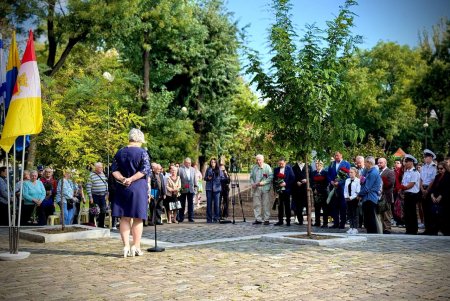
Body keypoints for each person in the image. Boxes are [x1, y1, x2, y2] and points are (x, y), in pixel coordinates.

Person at [112, 128, 151, 258]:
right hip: (138, 187)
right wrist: (131, 179)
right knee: (138, 218)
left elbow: (114, 171)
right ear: (139, 140)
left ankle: (126, 246)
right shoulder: (142, 152)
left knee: (124, 217)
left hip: (122, 188)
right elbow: (144, 170)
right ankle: (136, 246)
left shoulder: (120, 152)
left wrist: (123, 179)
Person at [357, 156, 381, 234]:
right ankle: (370, 233)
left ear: (369, 163)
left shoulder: (373, 173)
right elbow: (362, 179)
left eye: (365, 163)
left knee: (370, 218)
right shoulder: (368, 171)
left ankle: (373, 234)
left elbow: (367, 187)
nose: (364, 164)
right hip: (366, 198)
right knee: (367, 218)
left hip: (370, 198)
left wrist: (359, 194)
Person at [327, 151, 351, 229]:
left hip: (342, 188)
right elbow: (328, 174)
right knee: (334, 206)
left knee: (342, 206)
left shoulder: (346, 164)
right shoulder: (331, 164)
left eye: (337, 155)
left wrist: (339, 183)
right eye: (335, 155)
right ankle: (336, 223)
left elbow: (348, 176)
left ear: (341, 155)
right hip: (333, 188)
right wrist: (331, 181)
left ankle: (342, 223)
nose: (336, 157)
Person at [398, 154, 421, 235]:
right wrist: (400, 191)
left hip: (413, 194)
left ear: (411, 162)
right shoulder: (406, 172)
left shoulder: (415, 172)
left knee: (412, 213)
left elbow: (411, 184)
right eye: (405, 162)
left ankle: (413, 230)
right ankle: (408, 229)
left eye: (406, 162)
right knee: (407, 213)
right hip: (407, 194)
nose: (405, 163)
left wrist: (403, 189)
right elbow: (403, 182)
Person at [427, 161, 450, 235]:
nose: (439, 170)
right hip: (435, 198)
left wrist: (441, 196)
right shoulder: (437, 176)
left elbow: (448, 189)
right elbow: (433, 188)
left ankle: (445, 231)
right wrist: (432, 195)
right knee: (434, 214)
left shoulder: (448, 176)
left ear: (445, 168)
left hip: (445, 199)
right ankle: (434, 230)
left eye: (441, 168)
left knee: (444, 215)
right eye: (438, 168)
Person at [250, 154, 273, 225]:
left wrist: (264, 182)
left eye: (259, 160)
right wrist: (253, 183)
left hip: (265, 188)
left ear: (263, 160)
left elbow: (271, 177)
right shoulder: (254, 167)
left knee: (266, 204)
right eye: (257, 160)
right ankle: (258, 219)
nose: (258, 161)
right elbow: (251, 177)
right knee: (256, 204)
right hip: (256, 188)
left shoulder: (267, 167)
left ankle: (266, 219)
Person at [272, 157, 295, 226]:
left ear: (285, 162)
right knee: (280, 206)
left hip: (287, 190)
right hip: (279, 191)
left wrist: (286, 184)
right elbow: (274, 180)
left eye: (282, 163)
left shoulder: (289, 169)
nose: (281, 165)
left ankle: (288, 221)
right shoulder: (276, 169)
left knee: (287, 206)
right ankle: (280, 221)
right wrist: (275, 189)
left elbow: (292, 178)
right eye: (279, 164)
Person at [420, 149, 437, 235]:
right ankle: (427, 229)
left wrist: (427, 190)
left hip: (430, 189)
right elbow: (421, 179)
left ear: (430, 157)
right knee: (425, 210)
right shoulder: (423, 167)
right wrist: (422, 189)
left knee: (431, 210)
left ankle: (432, 229)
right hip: (423, 188)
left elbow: (433, 180)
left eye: (426, 157)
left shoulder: (434, 167)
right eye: (424, 157)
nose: (425, 159)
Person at [87, 162, 108, 228]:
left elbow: (106, 183)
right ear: (96, 168)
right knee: (93, 210)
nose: (101, 169)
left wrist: (107, 193)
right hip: (94, 195)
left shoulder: (103, 174)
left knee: (103, 210)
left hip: (103, 196)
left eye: (102, 167)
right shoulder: (91, 175)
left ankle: (101, 225)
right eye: (100, 167)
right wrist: (90, 197)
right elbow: (88, 186)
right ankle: (91, 225)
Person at [378, 157, 395, 234]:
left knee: (386, 213)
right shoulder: (378, 171)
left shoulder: (390, 172)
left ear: (385, 163)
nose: (379, 164)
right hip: (379, 196)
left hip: (386, 195)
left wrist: (381, 186)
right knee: (381, 213)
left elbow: (390, 183)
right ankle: (382, 228)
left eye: (381, 162)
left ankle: (387, 228)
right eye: (378, 162)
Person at [291, 159, 311, 225]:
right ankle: (300, 220)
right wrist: (296, 182)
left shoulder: (309, 167)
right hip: (297, 189)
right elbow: (292, 177)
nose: (300, 161)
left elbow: (311, 177)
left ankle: (309, 220)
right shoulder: (293, 168)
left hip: (306, 189)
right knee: (298, 206)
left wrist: (307, 180)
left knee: (308, 205)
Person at [178, 157, 197, 223]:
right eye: (187, 163)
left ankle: (190, 217)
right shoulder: (180, 169)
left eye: (190, 163)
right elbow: (178, 179)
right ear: (184, 163)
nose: (189, 164)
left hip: (191, 189)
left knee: (190, 204)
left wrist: (195, 187)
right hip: (183, 189)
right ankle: (181, 217)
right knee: (182, 204)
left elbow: (195, 178)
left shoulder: (193, 169)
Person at [205, 158, 224, 223]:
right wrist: (208, 178)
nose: (213, 163)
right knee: (209, 204)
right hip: (209, 189)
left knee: (216, 204)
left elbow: (223, 178)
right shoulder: (208, 169)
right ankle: (209, 219)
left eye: (214, 162)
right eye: (212, 162)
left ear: (216, 163)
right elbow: (205, 178)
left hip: (217, 189)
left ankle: (216, 218)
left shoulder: (219, 170)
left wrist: (219, 180)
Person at [344, 167, 361, 234]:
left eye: (352, 172)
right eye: (349, 172)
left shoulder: (358, 180)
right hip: (348, 199)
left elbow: (357, 191)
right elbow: (345, 190)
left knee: (355, 213)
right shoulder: (347, 180)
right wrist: (346, 196)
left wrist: (351, 197)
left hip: (354, 199)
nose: (350, 174)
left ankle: (355, 228)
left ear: (355, 173)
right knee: (349, 213)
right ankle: (351, 227)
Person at [312, 160, 329, 227]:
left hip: (323, 192)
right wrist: (314, 188)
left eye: (318, 164)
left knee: (324, 208)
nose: (317, 165)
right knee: (317, 208)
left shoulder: (325, 173)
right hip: (316, 193)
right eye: (316, 164)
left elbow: (326, 183)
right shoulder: (313, 173)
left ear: (322, 165)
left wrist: (320, 189)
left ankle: (325, 223)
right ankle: (317, 222)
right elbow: (312, 182)